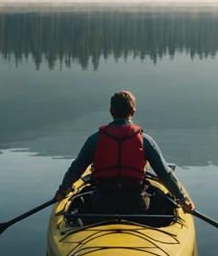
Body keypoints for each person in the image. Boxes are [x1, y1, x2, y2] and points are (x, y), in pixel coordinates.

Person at [55, 90, 195, 214]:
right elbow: (165, 174)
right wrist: (183, 199)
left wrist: (63, 191)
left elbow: (76, 169)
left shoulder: (95, 139)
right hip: (137, 205)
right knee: (160, 198)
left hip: (102, 205)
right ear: (133, 112)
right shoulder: (145, 140)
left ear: (111, 111)